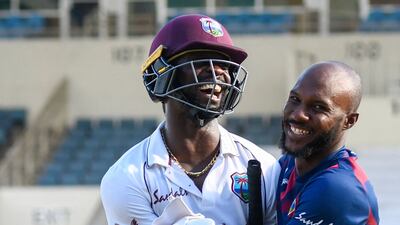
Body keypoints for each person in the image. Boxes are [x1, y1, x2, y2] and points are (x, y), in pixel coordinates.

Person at [100, 14, 279, 225]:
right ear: (161, 76)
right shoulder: (127, 177)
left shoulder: (265, 167)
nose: (218, 72)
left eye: (224, 65)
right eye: (201, 61)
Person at [276, 61, 379, 225]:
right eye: (295, 99)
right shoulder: (289, 163)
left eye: (318, 107)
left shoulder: (335, 188)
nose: (298, 115)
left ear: (349, 121)